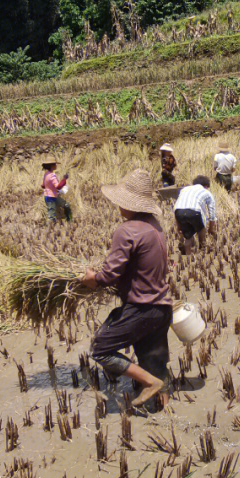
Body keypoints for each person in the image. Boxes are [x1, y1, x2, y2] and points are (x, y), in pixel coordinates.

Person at [82, 168, 173, 409]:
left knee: (100, 349)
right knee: (154, 361)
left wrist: (92, 278)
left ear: (130, 204)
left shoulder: (126, 230)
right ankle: (164, 410)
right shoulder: (156, 226)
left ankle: (150, 383)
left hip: (140, 310)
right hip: (161, 309)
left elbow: (108, 275)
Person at [174, 176, 217, 255]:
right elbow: (212, 213)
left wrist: (178, 226)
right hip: (194, 211)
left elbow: (178, 205)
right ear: (206, 186)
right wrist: (211, 229)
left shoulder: (184, 189)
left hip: (178, 212)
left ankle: (187, 255)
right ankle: (202, 247)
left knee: (188, 236)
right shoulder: (206, 192)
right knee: (201, 229)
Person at [42, 157, 72, 223]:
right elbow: (58, 186)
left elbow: (43, 185)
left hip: (49, 196)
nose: (56, 165)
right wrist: (64, 179)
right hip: (51, 198)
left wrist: (49, 188)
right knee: (52, 215)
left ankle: (69, 221)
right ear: (51, 166)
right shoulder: (52, 175)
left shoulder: (46, 174)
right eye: (55, 164)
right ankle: (51, 228)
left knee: (66, 205)